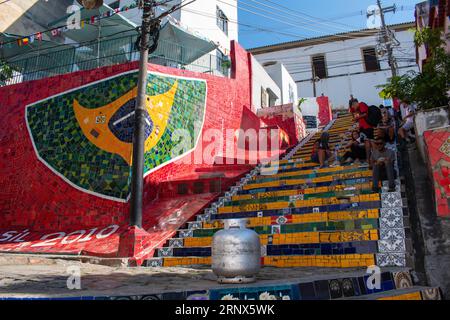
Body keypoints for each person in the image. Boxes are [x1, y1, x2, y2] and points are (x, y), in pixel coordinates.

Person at [350, 100, 374, 165]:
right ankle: (370, 158)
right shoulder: (358, 108)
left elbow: (365, 114)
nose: (354, 109)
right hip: (364, 128)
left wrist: (357, 117)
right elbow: (353, 111)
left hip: (367, 127)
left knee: (368, 143)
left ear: (355, 104)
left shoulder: (361, 104)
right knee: (368, 142)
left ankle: (369, 159)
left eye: (353, 107)